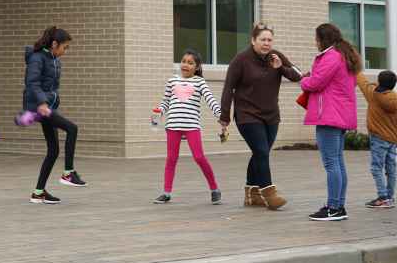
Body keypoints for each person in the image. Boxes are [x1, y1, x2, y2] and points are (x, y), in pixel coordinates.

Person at [219, 22, 301, 210]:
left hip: (271, 115)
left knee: (260, 153)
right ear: (253, 41)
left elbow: (298, 76)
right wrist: (225, 117)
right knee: (262, 152)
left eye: (269, 40)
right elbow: (228, 88)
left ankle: (252, 194)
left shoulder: (276, 56)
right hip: (247, 115)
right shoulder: (241, 60)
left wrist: (281, 67)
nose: (266, 43)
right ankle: (269, 193)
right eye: (262, 39)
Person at [300, 22, 361, 221]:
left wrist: (303, 80)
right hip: (339, 115)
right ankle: (338, 205)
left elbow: (316, 82)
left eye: (316, 38)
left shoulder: (331, 56)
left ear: (322, 39)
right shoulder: (344, 55)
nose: (315, 42)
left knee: (331, 163)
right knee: (338, 162)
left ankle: (333, 207)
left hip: (329, 116)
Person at [24, 26, 86, 204]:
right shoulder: (37, 58)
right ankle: (68, 173)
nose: (65, 52)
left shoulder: (53, 59)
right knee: (72, 129)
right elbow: (32, 83)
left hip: (47, 106)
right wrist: (42, 103)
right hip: (39, 107)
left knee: (53, 150)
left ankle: (38, 192)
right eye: (64, 48)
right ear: (54, 44)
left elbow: (51, 86)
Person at [152, 49, 222, 205]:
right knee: (171, 159)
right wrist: (159, 111)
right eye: (184, 61)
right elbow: (165, 102)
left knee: (199, 157)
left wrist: (220, 115)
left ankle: (214, 189)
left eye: (190, 63)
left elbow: (210, 100)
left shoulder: (199, 82)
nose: (185, 65)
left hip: (192, 126)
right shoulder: (172, 81)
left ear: (196, 67)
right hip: (173, 125)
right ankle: (166, 192)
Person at [357, 69, 397, 209]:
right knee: (391, 169)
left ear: (380, 81)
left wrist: (355, 68)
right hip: (393, 140)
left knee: (376, 168)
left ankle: (383, 197)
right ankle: (390, 197)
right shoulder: (395, 98)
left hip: (379, 138)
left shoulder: (373, 95)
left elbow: (362, 82)